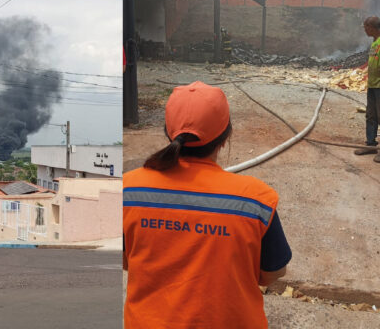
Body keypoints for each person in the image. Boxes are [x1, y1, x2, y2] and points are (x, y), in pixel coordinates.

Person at [123, 81, 291, 328]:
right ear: (225, 138)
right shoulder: (256, 201)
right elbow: (273, 273)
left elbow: (127, 261)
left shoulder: (127, 190)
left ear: (168, 133)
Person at [354, 16, 380, 159]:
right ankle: (370, 144)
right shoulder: (375, 42)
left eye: (366, 27)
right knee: (371, 115)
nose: (364, 30)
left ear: (372, 27)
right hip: (373, 85)